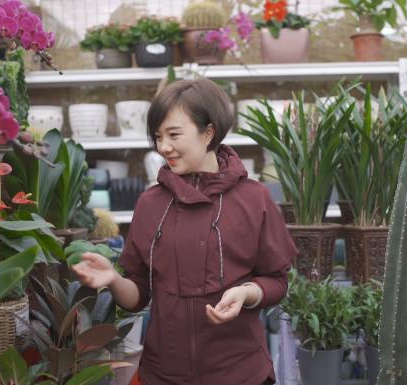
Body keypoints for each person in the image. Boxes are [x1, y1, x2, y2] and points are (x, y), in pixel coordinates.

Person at [72, 77, 298, 385]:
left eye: (174, 134)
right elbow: (138, 295)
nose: (164, 147)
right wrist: (113, 279)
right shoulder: (151, 204)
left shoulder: (253, 198)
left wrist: (246, 293)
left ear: (208, 133)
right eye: (158, 136)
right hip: (163, 374)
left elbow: (277, 281)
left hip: (240, 373)